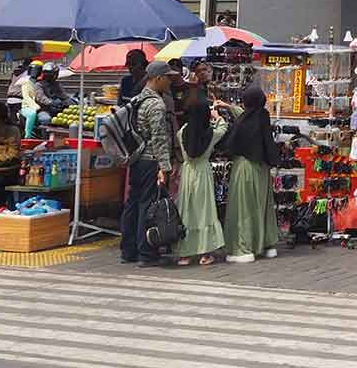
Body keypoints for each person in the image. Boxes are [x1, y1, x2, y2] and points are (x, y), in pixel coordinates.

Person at [120, 61, 175, 267]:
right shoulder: (156, 105)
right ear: (158, 78)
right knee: (147, 206)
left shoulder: (136, 99)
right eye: (168, 77)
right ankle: (147, 253)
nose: (170, 81)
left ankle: (128, 250)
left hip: (136, 160)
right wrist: (165, 167)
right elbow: (159, 138)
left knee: (133, 203)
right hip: (151, 160)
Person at [219, 83, 281, 263]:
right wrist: (228, 106)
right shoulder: (262, 117)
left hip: (244, 169)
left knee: (243, 209)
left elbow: (231, 139)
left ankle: (244, 249)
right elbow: (244, 114)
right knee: (262, 207)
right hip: (262, 169)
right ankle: (266, 244)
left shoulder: (243, 122)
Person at [173, 81, 227, 267]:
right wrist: (216, 116)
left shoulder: (182, 133)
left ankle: (184, 254)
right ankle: (205, 253)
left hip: (187, 172)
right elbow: (223, 128)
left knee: (186, 212)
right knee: (204, 212)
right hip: (203, 172)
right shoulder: (210, 134)